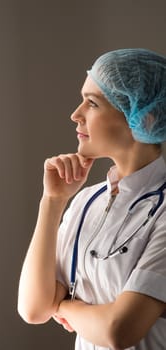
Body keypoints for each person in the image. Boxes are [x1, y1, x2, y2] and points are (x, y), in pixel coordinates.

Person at [17, 48, 166, 350]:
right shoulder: (86, 200)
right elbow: (33, 309)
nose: (75, 115)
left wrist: (64, 306)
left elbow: (118, 331)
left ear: (144, 118)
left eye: (92, 103)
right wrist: (52, 202)